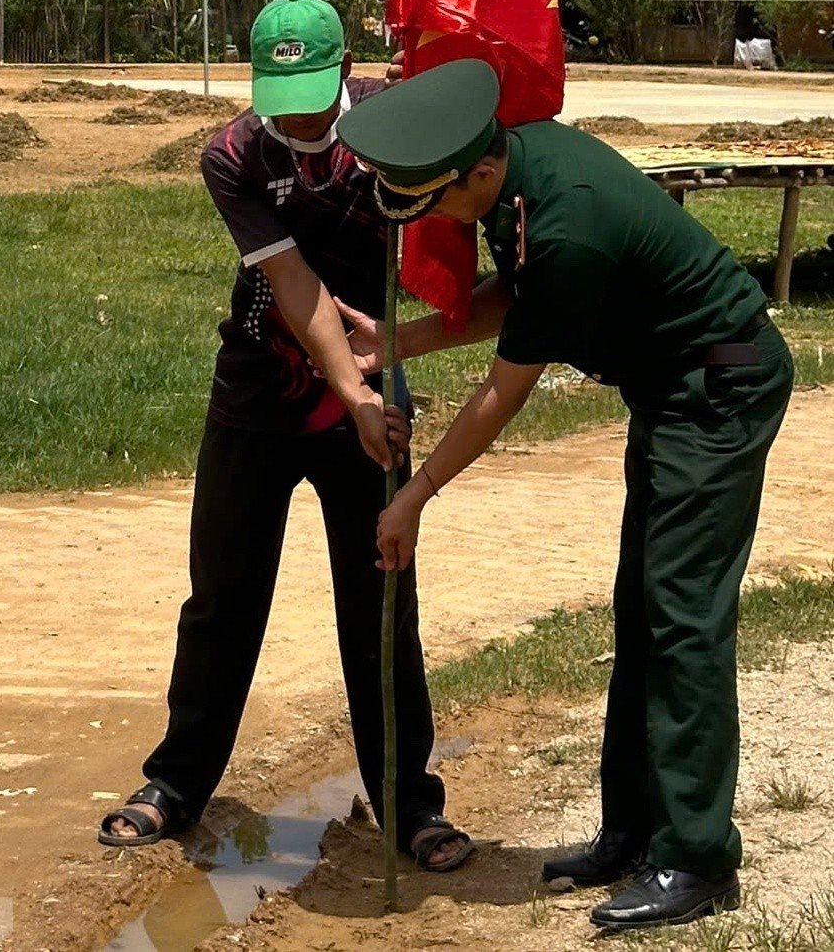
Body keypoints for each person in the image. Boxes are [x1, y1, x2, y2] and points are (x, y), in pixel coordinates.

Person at [337, 59, 793, 934]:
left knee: (682, 616)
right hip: (671, 389)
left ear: (476, 172)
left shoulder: (569, 215)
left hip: (719, 389)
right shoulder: (518, 172)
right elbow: (519, 292)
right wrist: (405, 338)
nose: (428, 216)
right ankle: (632, 831)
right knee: (644, 608)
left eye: (433, 200)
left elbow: (502, 392)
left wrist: (415, 496)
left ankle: (696, 856)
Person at [98, 0, 473, 876]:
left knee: (380, 604)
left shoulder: (392, 123)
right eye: (281, 93)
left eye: (314, 90)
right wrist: (349, 390)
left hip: (370, 406)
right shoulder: (232, 154)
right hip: (260, 398)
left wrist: (367, 395)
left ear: (347, 68)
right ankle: (177, 782)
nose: (299, 114)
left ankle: (407, 802)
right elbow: (297, 288)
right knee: (220, 600)